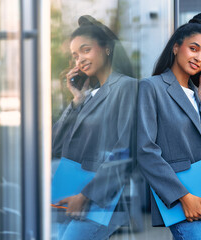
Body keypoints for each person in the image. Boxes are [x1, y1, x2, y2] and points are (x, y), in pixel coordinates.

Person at [137, 13, 201, 240]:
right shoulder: (151, 88)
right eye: (193, 48)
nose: (199, 58)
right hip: (180, 200)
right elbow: (145, 151)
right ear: (176, 47)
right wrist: (183, 196)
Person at [52, 15, 137, 240]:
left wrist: (86, 195)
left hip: (96, 198)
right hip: (69, 190)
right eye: (75, 55)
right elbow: (55, 144)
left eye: (85, 50)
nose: (79, 59)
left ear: (107, 49)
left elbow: (125, 151)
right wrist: (76, 100)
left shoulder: (126, 87)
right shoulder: (87, 97)